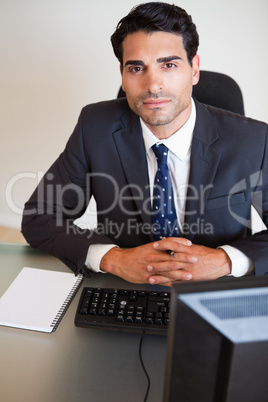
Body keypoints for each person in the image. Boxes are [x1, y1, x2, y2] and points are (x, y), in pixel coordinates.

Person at [22, 2, 268, 287]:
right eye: (137, 68)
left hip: (214, 290)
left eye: (169, 64)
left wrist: (225, 261)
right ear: (123, 77)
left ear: (194, 69)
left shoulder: (254, 140)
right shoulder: (95, 127)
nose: (153, 84)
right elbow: (39, 216)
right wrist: (113, 258)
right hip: (125, 288)